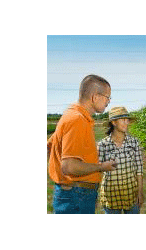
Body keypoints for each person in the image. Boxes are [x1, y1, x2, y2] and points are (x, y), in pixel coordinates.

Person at [47, 74, 117, 214]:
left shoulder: (71, 115)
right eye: (107, 97)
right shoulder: (77, 120)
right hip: (76, 196)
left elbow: (50, 147)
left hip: (71, 193)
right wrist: (102, 166)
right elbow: (69, 167)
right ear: (95, 97)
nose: (108, 102)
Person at [97, 106, 144, 214]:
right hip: (111, 197)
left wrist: (140, 192)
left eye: (127, 120)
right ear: (114, 122)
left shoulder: (134, 142)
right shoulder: (103, 145)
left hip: (131, 196)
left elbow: (139, 170)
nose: (127, 123)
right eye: (123, 120)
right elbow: (98, 171)